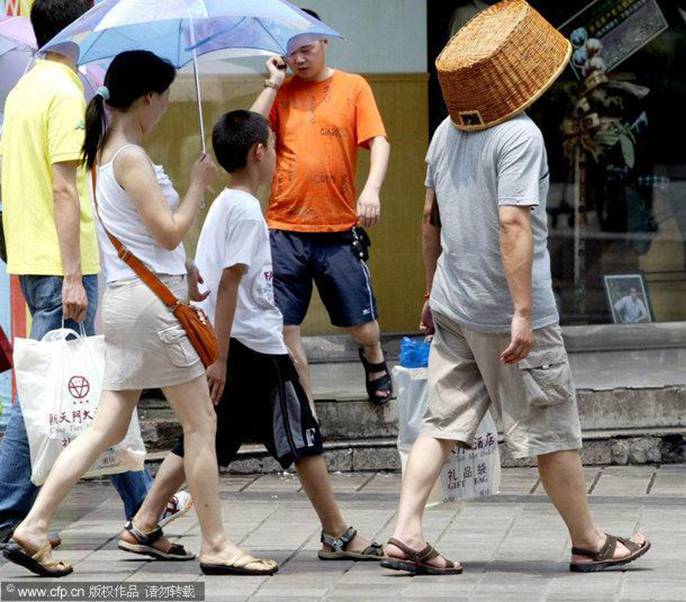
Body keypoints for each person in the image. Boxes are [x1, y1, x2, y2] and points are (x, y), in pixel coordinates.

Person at [382, 1, 650, 576]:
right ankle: (589, 541)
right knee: (551, 429)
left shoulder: (445, 133)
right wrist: (524, 312)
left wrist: (430, 294)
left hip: (454, 304)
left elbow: (429, 220)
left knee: (440, 423)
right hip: (506, 315)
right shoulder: (520, 135)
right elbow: (513, 223)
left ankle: (406, 532)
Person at [1, 50, 276, 578]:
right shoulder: (129, 157)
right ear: (148, 97)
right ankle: (216, 543)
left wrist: (184, 265)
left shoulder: (106, 152)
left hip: (130, 302)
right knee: (202, 422)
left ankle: (33, 527)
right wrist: (197, 185)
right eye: (164, 97)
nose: (165, 107)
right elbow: (168, 231)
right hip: (152, 309)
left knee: (106, 426)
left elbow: (145, 239)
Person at [125, 110, 383, 563]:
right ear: (258, 152)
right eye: (275, 147)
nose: (279, 156)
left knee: (207, 437)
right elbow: (229, 284)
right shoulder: (244, 210)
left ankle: (144, 522)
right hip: (252, 344)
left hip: (237, 341)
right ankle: (337, 533)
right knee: (302, 435)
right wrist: (220, 359)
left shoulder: (227, 204)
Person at [0, 0, 188, 552]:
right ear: (76, 30)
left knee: (91, 386)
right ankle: (11, 513)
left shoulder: (24, 89)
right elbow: (64, 187)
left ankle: (140, 505)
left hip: (35, 253)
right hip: (64, 262)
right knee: (54, 391)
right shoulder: (62, 93)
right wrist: (72, 276)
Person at [250, 8, 393, 406]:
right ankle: (305, 409)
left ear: (324, 42)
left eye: (307, 50)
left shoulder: (353, 87)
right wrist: (272, 83)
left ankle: (373, 353)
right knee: (284, 327)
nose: (299, 59)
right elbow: (249, 132)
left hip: (337, 228)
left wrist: (372, 190)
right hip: (283, 227)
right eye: (291, 52)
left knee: (362, 326)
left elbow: (379, 141)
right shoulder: (281, 91)